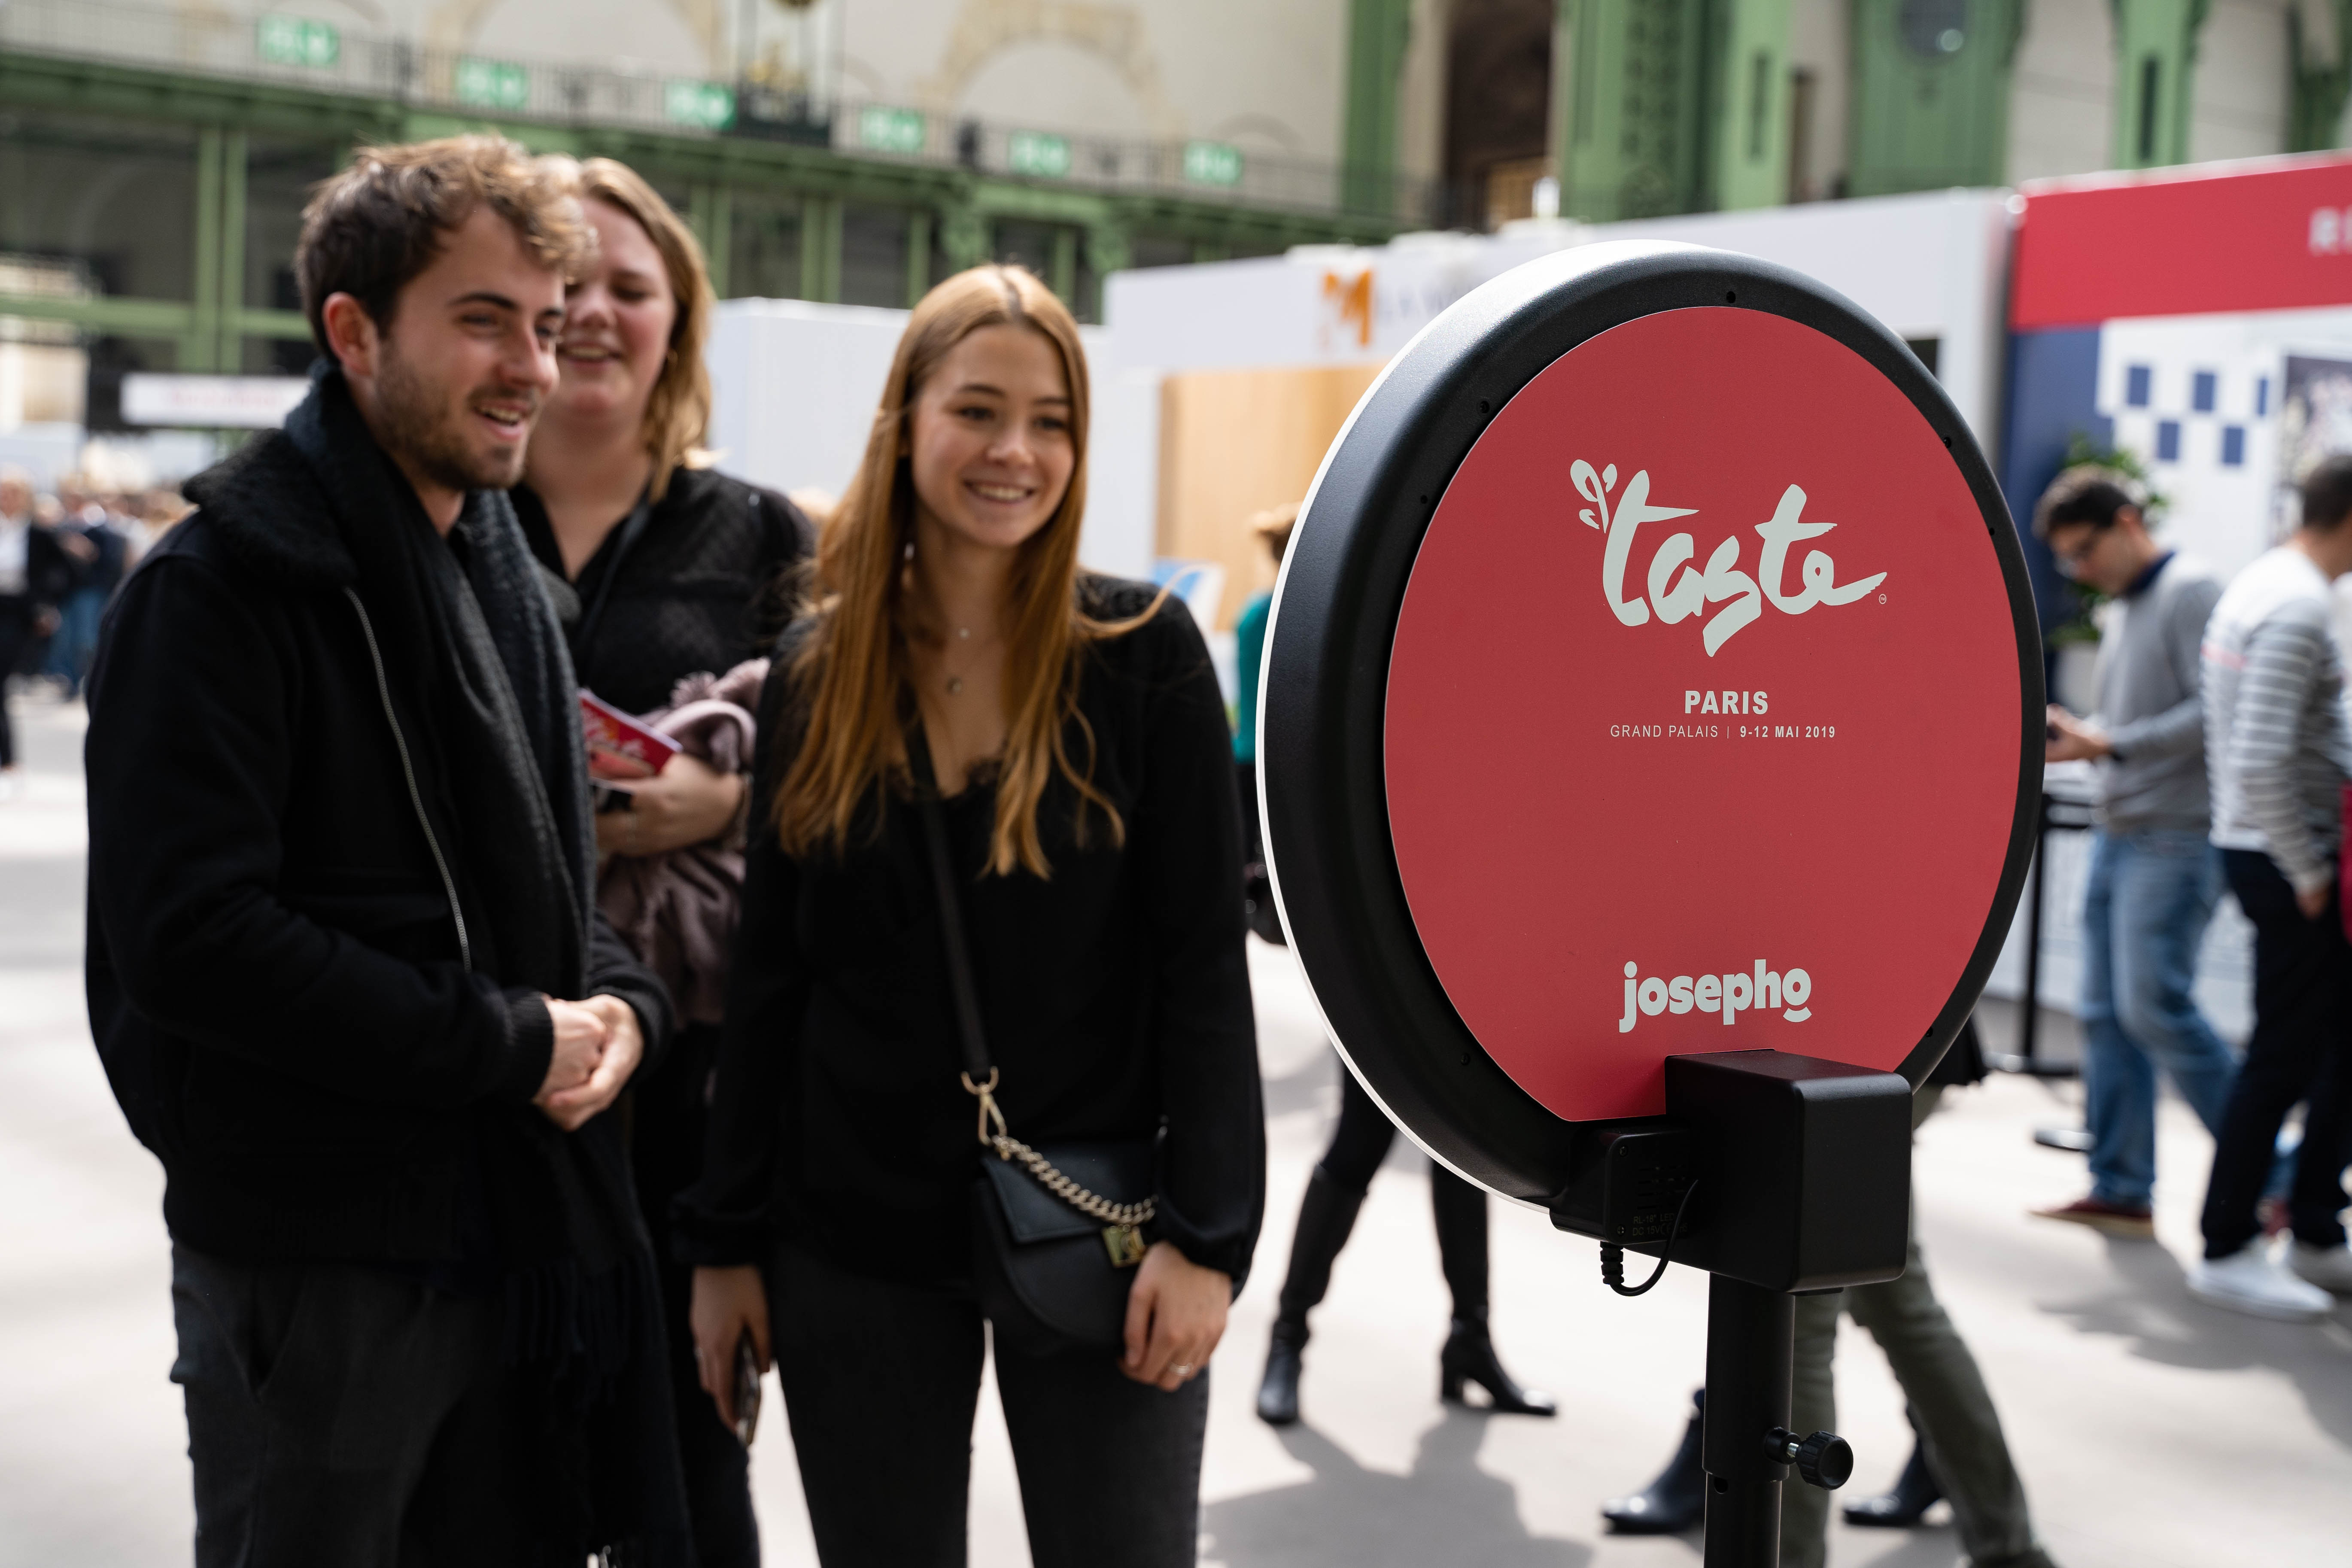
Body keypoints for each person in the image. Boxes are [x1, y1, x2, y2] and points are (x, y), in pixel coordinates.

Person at [82, 136, 692, 1566]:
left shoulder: (506, 582)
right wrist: (505, 1042)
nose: (532, 367)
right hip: (315, 1259)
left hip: (516, 1242)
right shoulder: (221, 586)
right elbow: (195, 941)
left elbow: (555, 895)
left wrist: (622, 1014)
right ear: (353, 332)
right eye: (483, 320)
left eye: (545, 327)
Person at [676, 265, 1264, 1568]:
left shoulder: (1141, 650)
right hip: (851, 1236)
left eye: (1050, 419)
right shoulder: (819, 668)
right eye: (979, 409)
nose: (1015, 450)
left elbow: (1199, 972)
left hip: (1101, 1222)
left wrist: (1206, 1236)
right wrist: (723, 1243)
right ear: (906, 421)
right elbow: (771, 973)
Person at [514, 153, 811, 1568]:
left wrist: (726, 809)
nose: (589, 313)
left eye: (627, 288)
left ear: (676, 324)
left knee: (692, 1488)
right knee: (491, 1477)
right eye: (559, 283)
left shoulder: (754, 535)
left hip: (696, 1096)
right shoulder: (446, 515)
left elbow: (846, 805)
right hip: (491, 1076)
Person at [1601, 1021, 2057, 1568]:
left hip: (1826, 1057)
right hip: (1903, 1041)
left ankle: (1792, 1557)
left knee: (1794, 1323)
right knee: (1899, 1305)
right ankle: (2009, 1546)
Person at [2030, 469, 2234, 1238]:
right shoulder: (2125, 606)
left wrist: (2107, 740)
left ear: (2125, 522)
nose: (2080, 571)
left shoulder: (2191, 590)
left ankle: (2273, 1177)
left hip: (2174, 835)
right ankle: (2120, 1186)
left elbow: (2213, 714)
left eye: (2084, 551)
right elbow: (2146, 722)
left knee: (2155, 1008)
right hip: (2124, 829)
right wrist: (2090, 737)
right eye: (2067, 561)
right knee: (2105, 1016)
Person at [2190, 455, 2352, 1320]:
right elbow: (2258, 757)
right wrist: (2310, 869)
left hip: (2269, 852)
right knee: (2284, 1057)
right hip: (2292, 862)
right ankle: (2228, 1240)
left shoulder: (2267, 583)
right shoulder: (2295, 604)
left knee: (2318, 1050)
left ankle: (2315, 1226)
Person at [1253, 1060, 1558, 1427]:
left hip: (1467, 1008)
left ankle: (1470, 1339)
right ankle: (1288, 1336)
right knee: (1360, 1141)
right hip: (1381, 1003)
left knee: (1462, 1153)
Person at [1233, 503, 1294, 945]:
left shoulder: (1255, 611)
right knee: (1281, 849)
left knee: (1251, 847)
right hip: (1278, 753)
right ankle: (1276, 923)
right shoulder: (1294, 613)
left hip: (1245, 750)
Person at [0, 467, 68, 790]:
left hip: (18, 615)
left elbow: (65, 571)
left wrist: (45, 604)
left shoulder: (38, 533)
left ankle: (9, 762)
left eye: (13, 493)